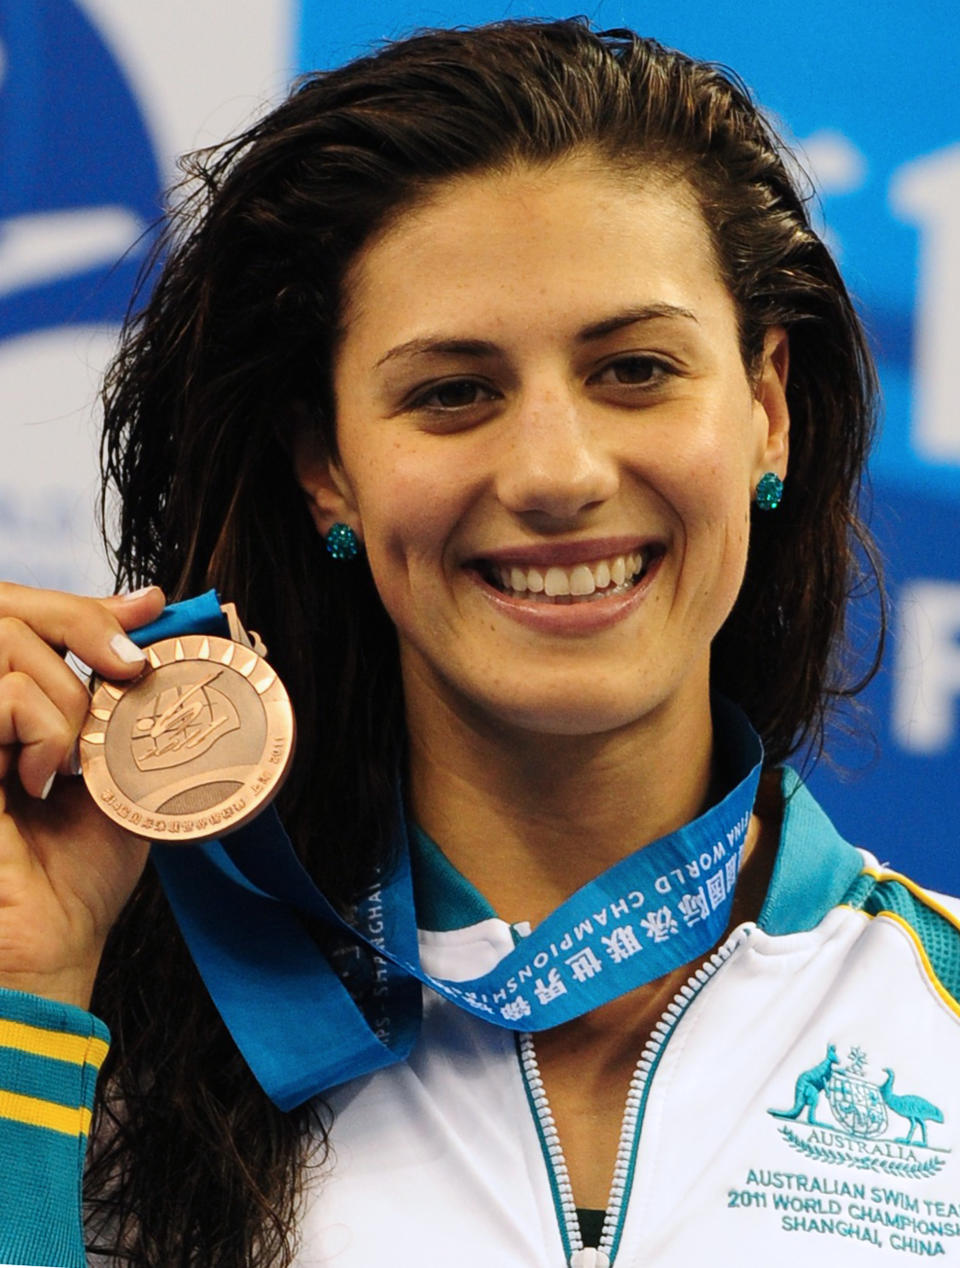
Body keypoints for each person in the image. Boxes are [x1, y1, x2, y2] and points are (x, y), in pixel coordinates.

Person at [0, 17, 956, 1268]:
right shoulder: (102, 1031)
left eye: (634, 368)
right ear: (328, 468)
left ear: (766, 409)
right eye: (453, 392)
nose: (557, 472)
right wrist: (25, 995)